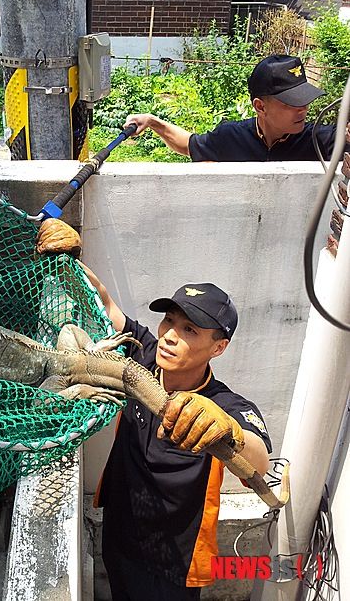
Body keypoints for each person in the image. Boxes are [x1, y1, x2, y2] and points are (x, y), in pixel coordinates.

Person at [36, 219, 271, 600]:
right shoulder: (143, 355)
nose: (170, 336)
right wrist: (67, 258)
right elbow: (101, 301)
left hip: (173, 562)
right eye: (169, 321)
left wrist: (228, 430)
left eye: (190, 331)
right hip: (119, 534)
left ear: (219, 347)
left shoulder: (224, 405)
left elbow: (258, 460)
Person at [124, 54, 340, 162]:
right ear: (260, 107)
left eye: (304, 100)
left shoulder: (323, 140)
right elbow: (188, 144)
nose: (302, 109)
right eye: (291, 103)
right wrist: (152, 121)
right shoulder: (231, 136)